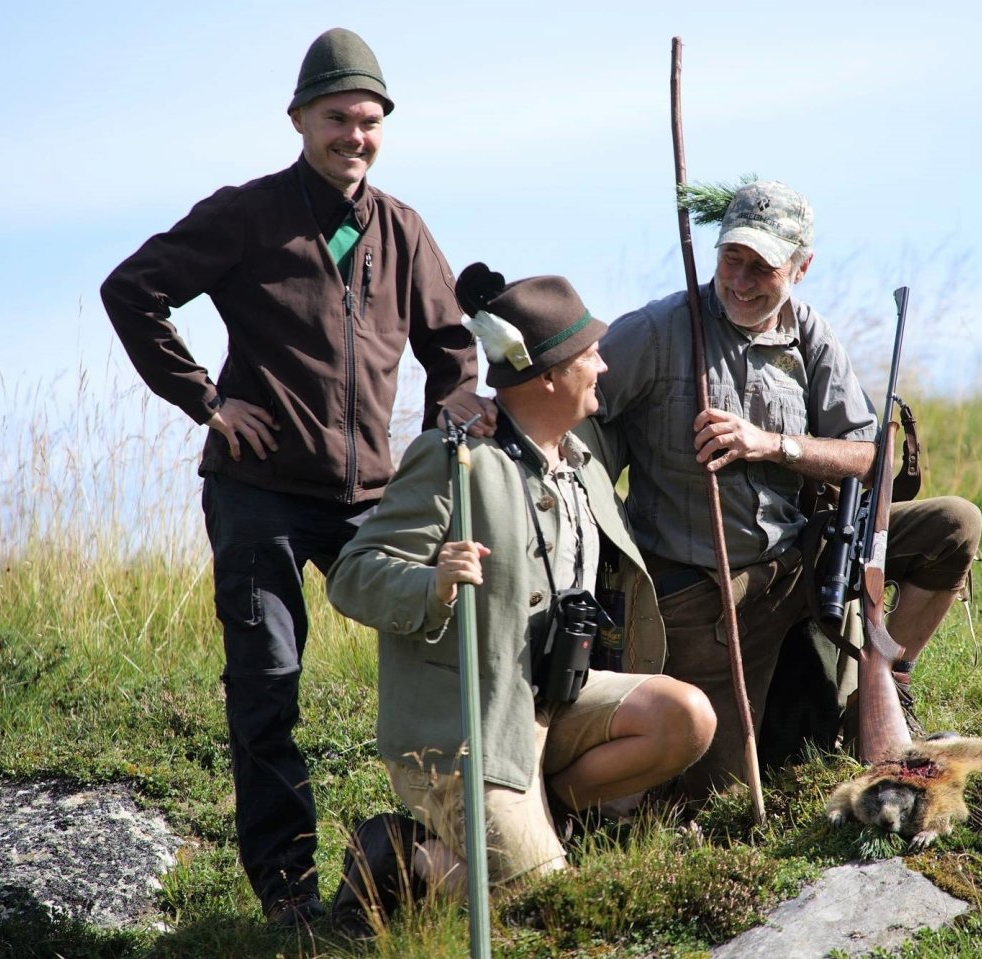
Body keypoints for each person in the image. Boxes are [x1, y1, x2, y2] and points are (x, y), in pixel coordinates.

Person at [99, 28, 480, 926]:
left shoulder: (403, 227)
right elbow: (133, 288)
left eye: (371, 119)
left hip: (372, 505)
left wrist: (438, 446)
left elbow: (453, 352)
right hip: (258, 496)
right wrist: (206, 402)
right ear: (299, 119)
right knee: (267, 686)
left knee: (438, 655)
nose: (356, 133)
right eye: (339, 116)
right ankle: (289, 895)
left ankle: (447, 855)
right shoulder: (247, 213)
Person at [324, 265, 715, 929]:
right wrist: (432, 582)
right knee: (542, 903)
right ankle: (404, 854)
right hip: (469, 733)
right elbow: (353, 574)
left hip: (559, 701)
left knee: (685, 716)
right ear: (549, 376)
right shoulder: (453, 458)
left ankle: (540, 818)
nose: (602, 363)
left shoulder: (580, 462)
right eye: (587, 352)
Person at [594, 179, 982, 803]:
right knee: (717, 799)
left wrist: (773, 444)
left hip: (800, 567)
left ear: (801, 269)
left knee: (953, 526)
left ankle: (890, 677)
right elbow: (576, 413)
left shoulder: (811, 335)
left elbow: (869, 456)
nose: (742, 281)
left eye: (763, 268)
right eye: (732, 260)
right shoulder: (659, 331)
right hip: (700, 595)